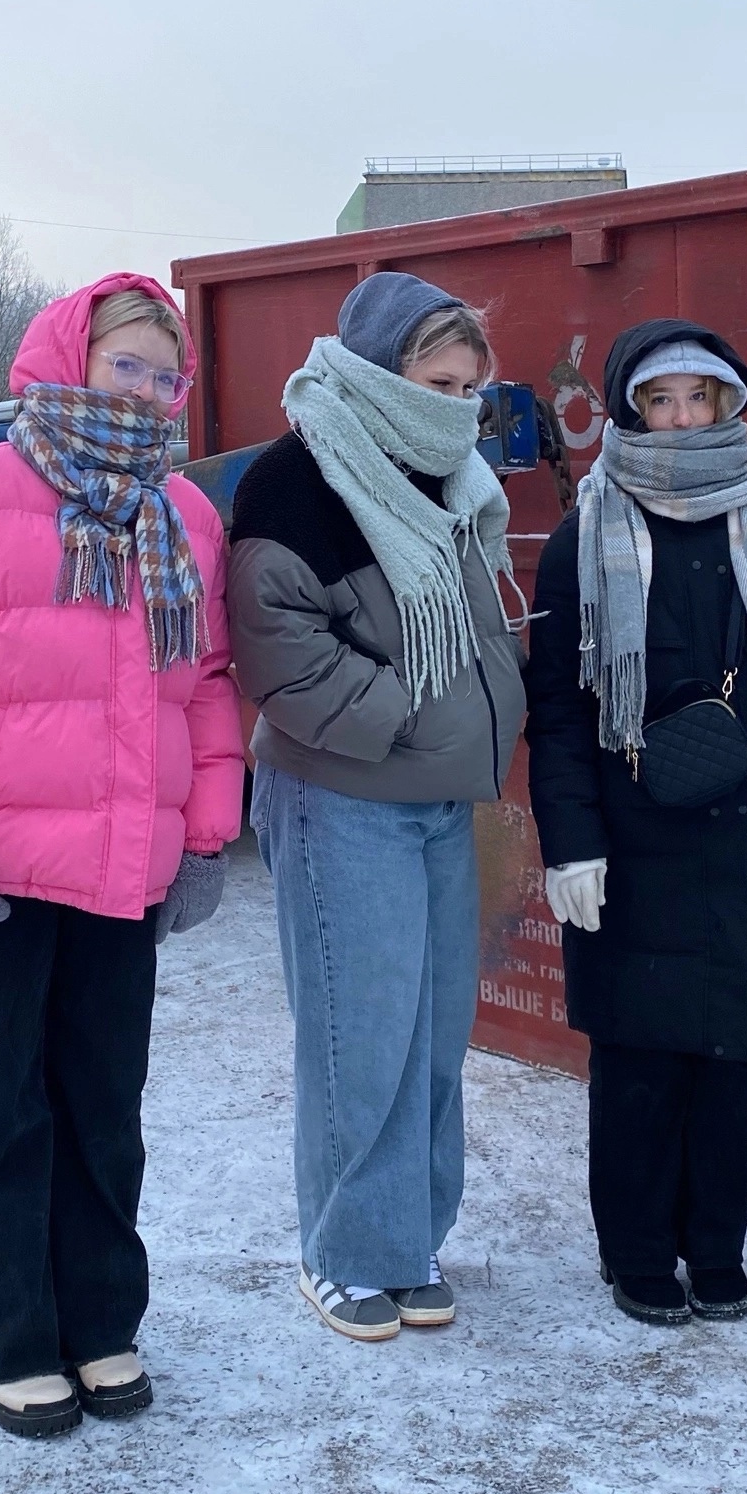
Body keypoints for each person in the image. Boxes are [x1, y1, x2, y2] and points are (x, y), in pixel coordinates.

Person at [0, 272, 245, 1438]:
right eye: (122, 363)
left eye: (159, 371)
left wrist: (205, 836)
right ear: (68, 360)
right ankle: (9, 1337)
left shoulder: (182, 515)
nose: (141, 387)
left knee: (101, 1109)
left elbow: (207, 687)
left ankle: (98, 1323)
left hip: (123, 873)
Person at [521, 321, 747, 1327]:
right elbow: (557, 709)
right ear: (630, 409)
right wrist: (570, 839)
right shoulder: (587, 532)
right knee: (636, 1061)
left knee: (726, 1059)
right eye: (659, 399)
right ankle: (634, 1253)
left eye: (697, 399)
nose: (679, 416)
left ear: (724, 407)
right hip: (635, 841)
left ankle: (713, 1248)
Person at [228, 272, 526, 1343]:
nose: (458, 407)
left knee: (433, 1036)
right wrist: (406, 714)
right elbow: (278, 652)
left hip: (438, 795)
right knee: (361, 1037)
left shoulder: (448, 476)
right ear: (377, 368)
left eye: (470, 388)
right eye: (437, 380)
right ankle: (344, 1255)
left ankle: (407, 1244)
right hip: (342, 795)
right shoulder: (296, 477)